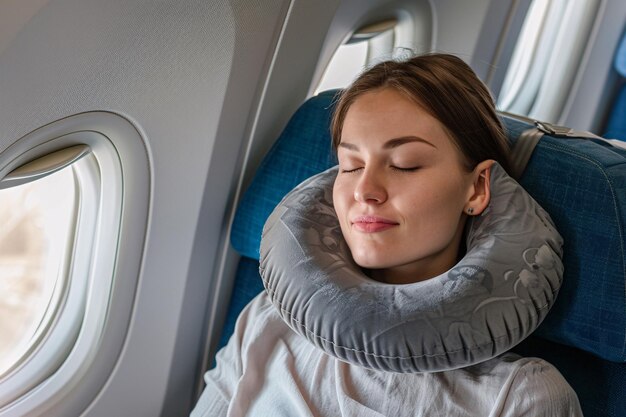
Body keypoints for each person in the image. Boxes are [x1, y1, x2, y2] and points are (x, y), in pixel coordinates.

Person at [191, 53, 582, 416]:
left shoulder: (520, 397)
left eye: (405, 164)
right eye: (350, 165)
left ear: (477, 189)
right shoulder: (266, 321)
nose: (365, 190)